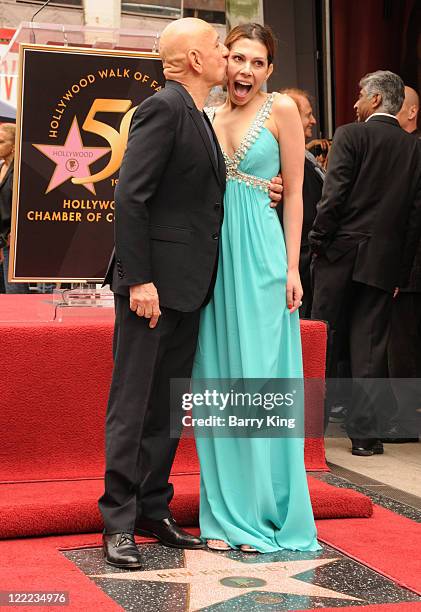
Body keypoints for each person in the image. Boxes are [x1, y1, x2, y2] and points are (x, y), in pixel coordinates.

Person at [99, 18, 283, 570]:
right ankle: (119, 522)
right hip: (152, 290)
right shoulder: (164, 107)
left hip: (188, 289)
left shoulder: (197, 113)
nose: (229, 56)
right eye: (219, 48)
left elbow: (204, 192)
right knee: (133, 407)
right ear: (198, 61)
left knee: (167, 408)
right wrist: (140, 280)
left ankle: (153, 509)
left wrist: (269, 190)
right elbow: (131, 198)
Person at [192, 23, 320, 553]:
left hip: (264, 258)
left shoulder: (283, 112)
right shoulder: (209, 116)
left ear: (269, 70)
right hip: (213, 265)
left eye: (257, 62)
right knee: (218, 382)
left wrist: (292, 268)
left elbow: (294, 194)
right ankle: (224, 515)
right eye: (238, 58)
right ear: (224, 62)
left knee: (260, 380)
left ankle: (265, 512)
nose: (245, 69)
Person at [309, 71, 421, 456]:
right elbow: (415, 218)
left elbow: (333, 195)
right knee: (370, 348)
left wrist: (317, 241)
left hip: (339, 253)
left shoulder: (349, 134)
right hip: (383, 262)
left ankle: (312, 435)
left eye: (360, 94)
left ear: (375, 100)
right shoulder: (414, 149)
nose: (355, 101)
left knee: (323, 338)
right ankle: (366, 439)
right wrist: (400, 271)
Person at [386, 86, 421, 442]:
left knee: (404, 346)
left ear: (411, 112)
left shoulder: (413, 149)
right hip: (406, 266)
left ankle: (408, 420)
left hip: (409, 268)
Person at [279, 89, 325, 318]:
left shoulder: (305, 157)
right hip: (298, 262)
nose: (313, 120)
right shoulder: (287, 162)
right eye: (308, 114)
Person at [0, 123, 30, 294]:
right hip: (1, 238)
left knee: (15, 293)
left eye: (1, 142)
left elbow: (26, 204)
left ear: (13, 146)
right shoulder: (1, 167)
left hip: (14, 240)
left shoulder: (21, 171)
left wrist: (16, 230)